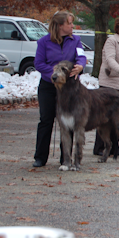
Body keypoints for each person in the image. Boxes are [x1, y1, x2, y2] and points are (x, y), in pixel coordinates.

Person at [33, 11, 86, 167]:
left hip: (68, 88)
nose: (72, 26)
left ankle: (66, 158)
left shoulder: (75, 40)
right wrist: (55, 74)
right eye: (69, 23)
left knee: (67, 121)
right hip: (49, 86)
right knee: (46, 120)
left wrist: (80, 66)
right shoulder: (44, 42)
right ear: (60, 25)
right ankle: (40, 157)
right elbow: (39, 63)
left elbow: (81, 56)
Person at [93, 17, 119, 156]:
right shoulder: (111, 41)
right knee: (104, 116)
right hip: (108, 81)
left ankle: (114, 147)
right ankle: (100, 147)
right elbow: (110, 59)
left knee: (118, 115)